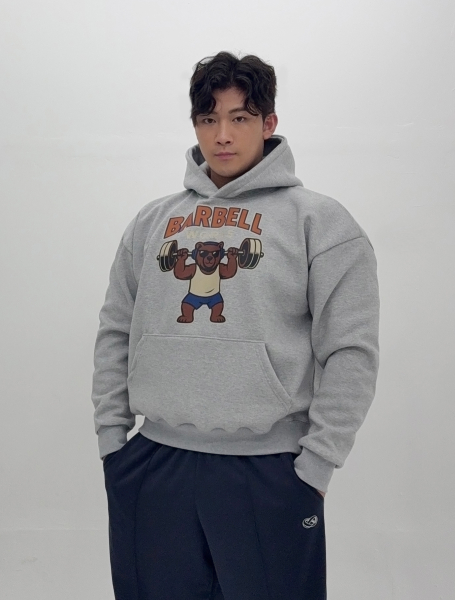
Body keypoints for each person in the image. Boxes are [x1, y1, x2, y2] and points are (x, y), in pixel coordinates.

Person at [91, 50, 380, 600]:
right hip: (153, 464)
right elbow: (115, 331)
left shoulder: (321, 223)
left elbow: (350, 351)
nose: (222, 135)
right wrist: (113, 442)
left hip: (268, 469)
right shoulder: (152, 221)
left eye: (240, 118)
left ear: (269, 124)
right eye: (208, 119)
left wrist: (316, 466)